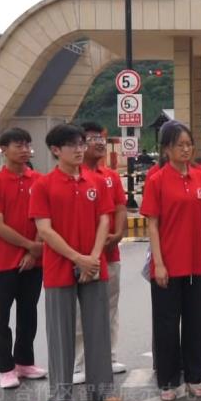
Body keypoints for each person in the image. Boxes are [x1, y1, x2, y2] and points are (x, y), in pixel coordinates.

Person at [29, 123, 121, 401]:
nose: (80, 149)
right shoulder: (43, 185)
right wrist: (77, 258)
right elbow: (44, 230)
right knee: (60, 332)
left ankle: (101, 392)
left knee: (98, 330)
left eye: (82, 144)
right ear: (56, 150)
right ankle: (60, 395)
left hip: (93, 265)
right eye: (73, 145)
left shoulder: (96, 182)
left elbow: (104, 220)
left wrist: (93, 257)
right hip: (59, 266)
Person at [141, 122, 201, 401]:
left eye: (189, 145)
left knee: (196, 322)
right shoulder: (157, 180)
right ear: (166, 149)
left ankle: (195, 376)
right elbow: (152, 224)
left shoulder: (199, 177)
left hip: (196, 263)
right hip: (168, 264)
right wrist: (159, 263)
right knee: (167, 324)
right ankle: (168, 380)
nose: (186, 150)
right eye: (179, 145)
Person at [0, 127, 47, 389]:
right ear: (4, 149)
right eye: (18, 145)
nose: (24, 150)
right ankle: (5, 368)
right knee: (1, 318)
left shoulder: (39, 181)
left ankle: (24, 362)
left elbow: (45, 218)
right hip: (3, 261)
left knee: (28, 313)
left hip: (35, 261)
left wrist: (35, 250)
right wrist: (30, 246)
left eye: (27, 145)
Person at [73, 122, 128, 384]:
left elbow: (120, 207)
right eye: (92, 138)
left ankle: (109, 355)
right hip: (81, 255)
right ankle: (79, 362)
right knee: (79, 310)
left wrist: (118, 234)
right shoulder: (75, 175)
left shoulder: (111, 176)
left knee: (110, 306)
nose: (98, 143)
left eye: (101, 138)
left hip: (110, 254)